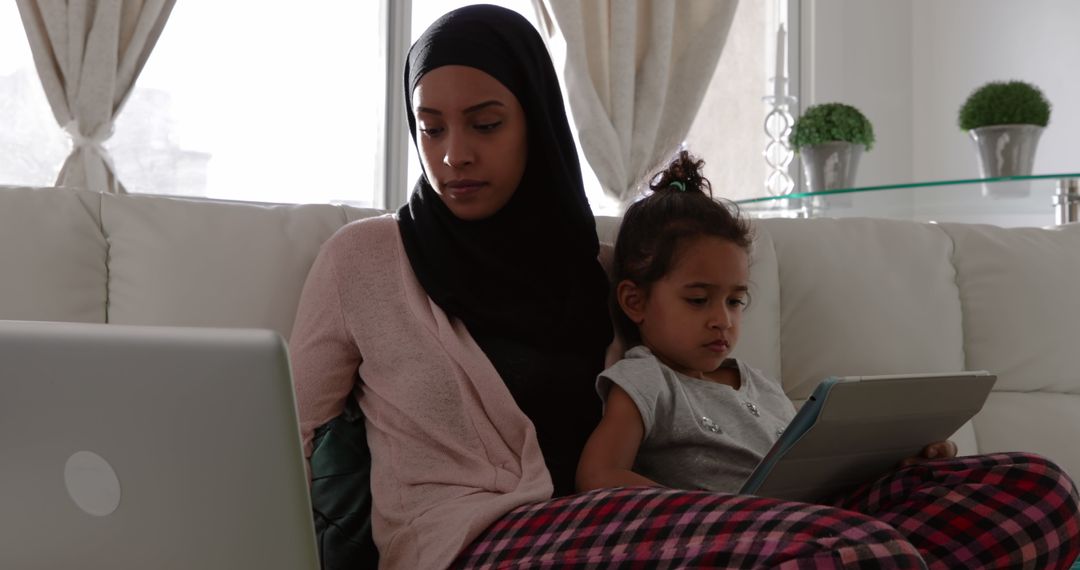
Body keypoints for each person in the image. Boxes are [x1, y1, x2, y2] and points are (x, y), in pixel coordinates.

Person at [289, 5, 1080, 569]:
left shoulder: (601, 268)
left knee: (1033, 493)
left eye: (485, 123)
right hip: (477, 538)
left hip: (651, 518)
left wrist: (880, 460)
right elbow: (286, 434)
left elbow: (704, 403)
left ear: (534, 120)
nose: (453, 152)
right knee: (840, 552)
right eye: (431, 126)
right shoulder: (365, 260)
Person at [574, 149, 1080, 567]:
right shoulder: (646, 378)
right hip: (753, 539)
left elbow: (811, 467)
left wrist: (899, 463)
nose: (722, 320)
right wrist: (712, 509)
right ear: (635, 301)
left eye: (734, 300)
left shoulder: (757, 382)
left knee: (1039, 484)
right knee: (858, 551)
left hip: (833, 516)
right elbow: (598, 475)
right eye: (697, 299)